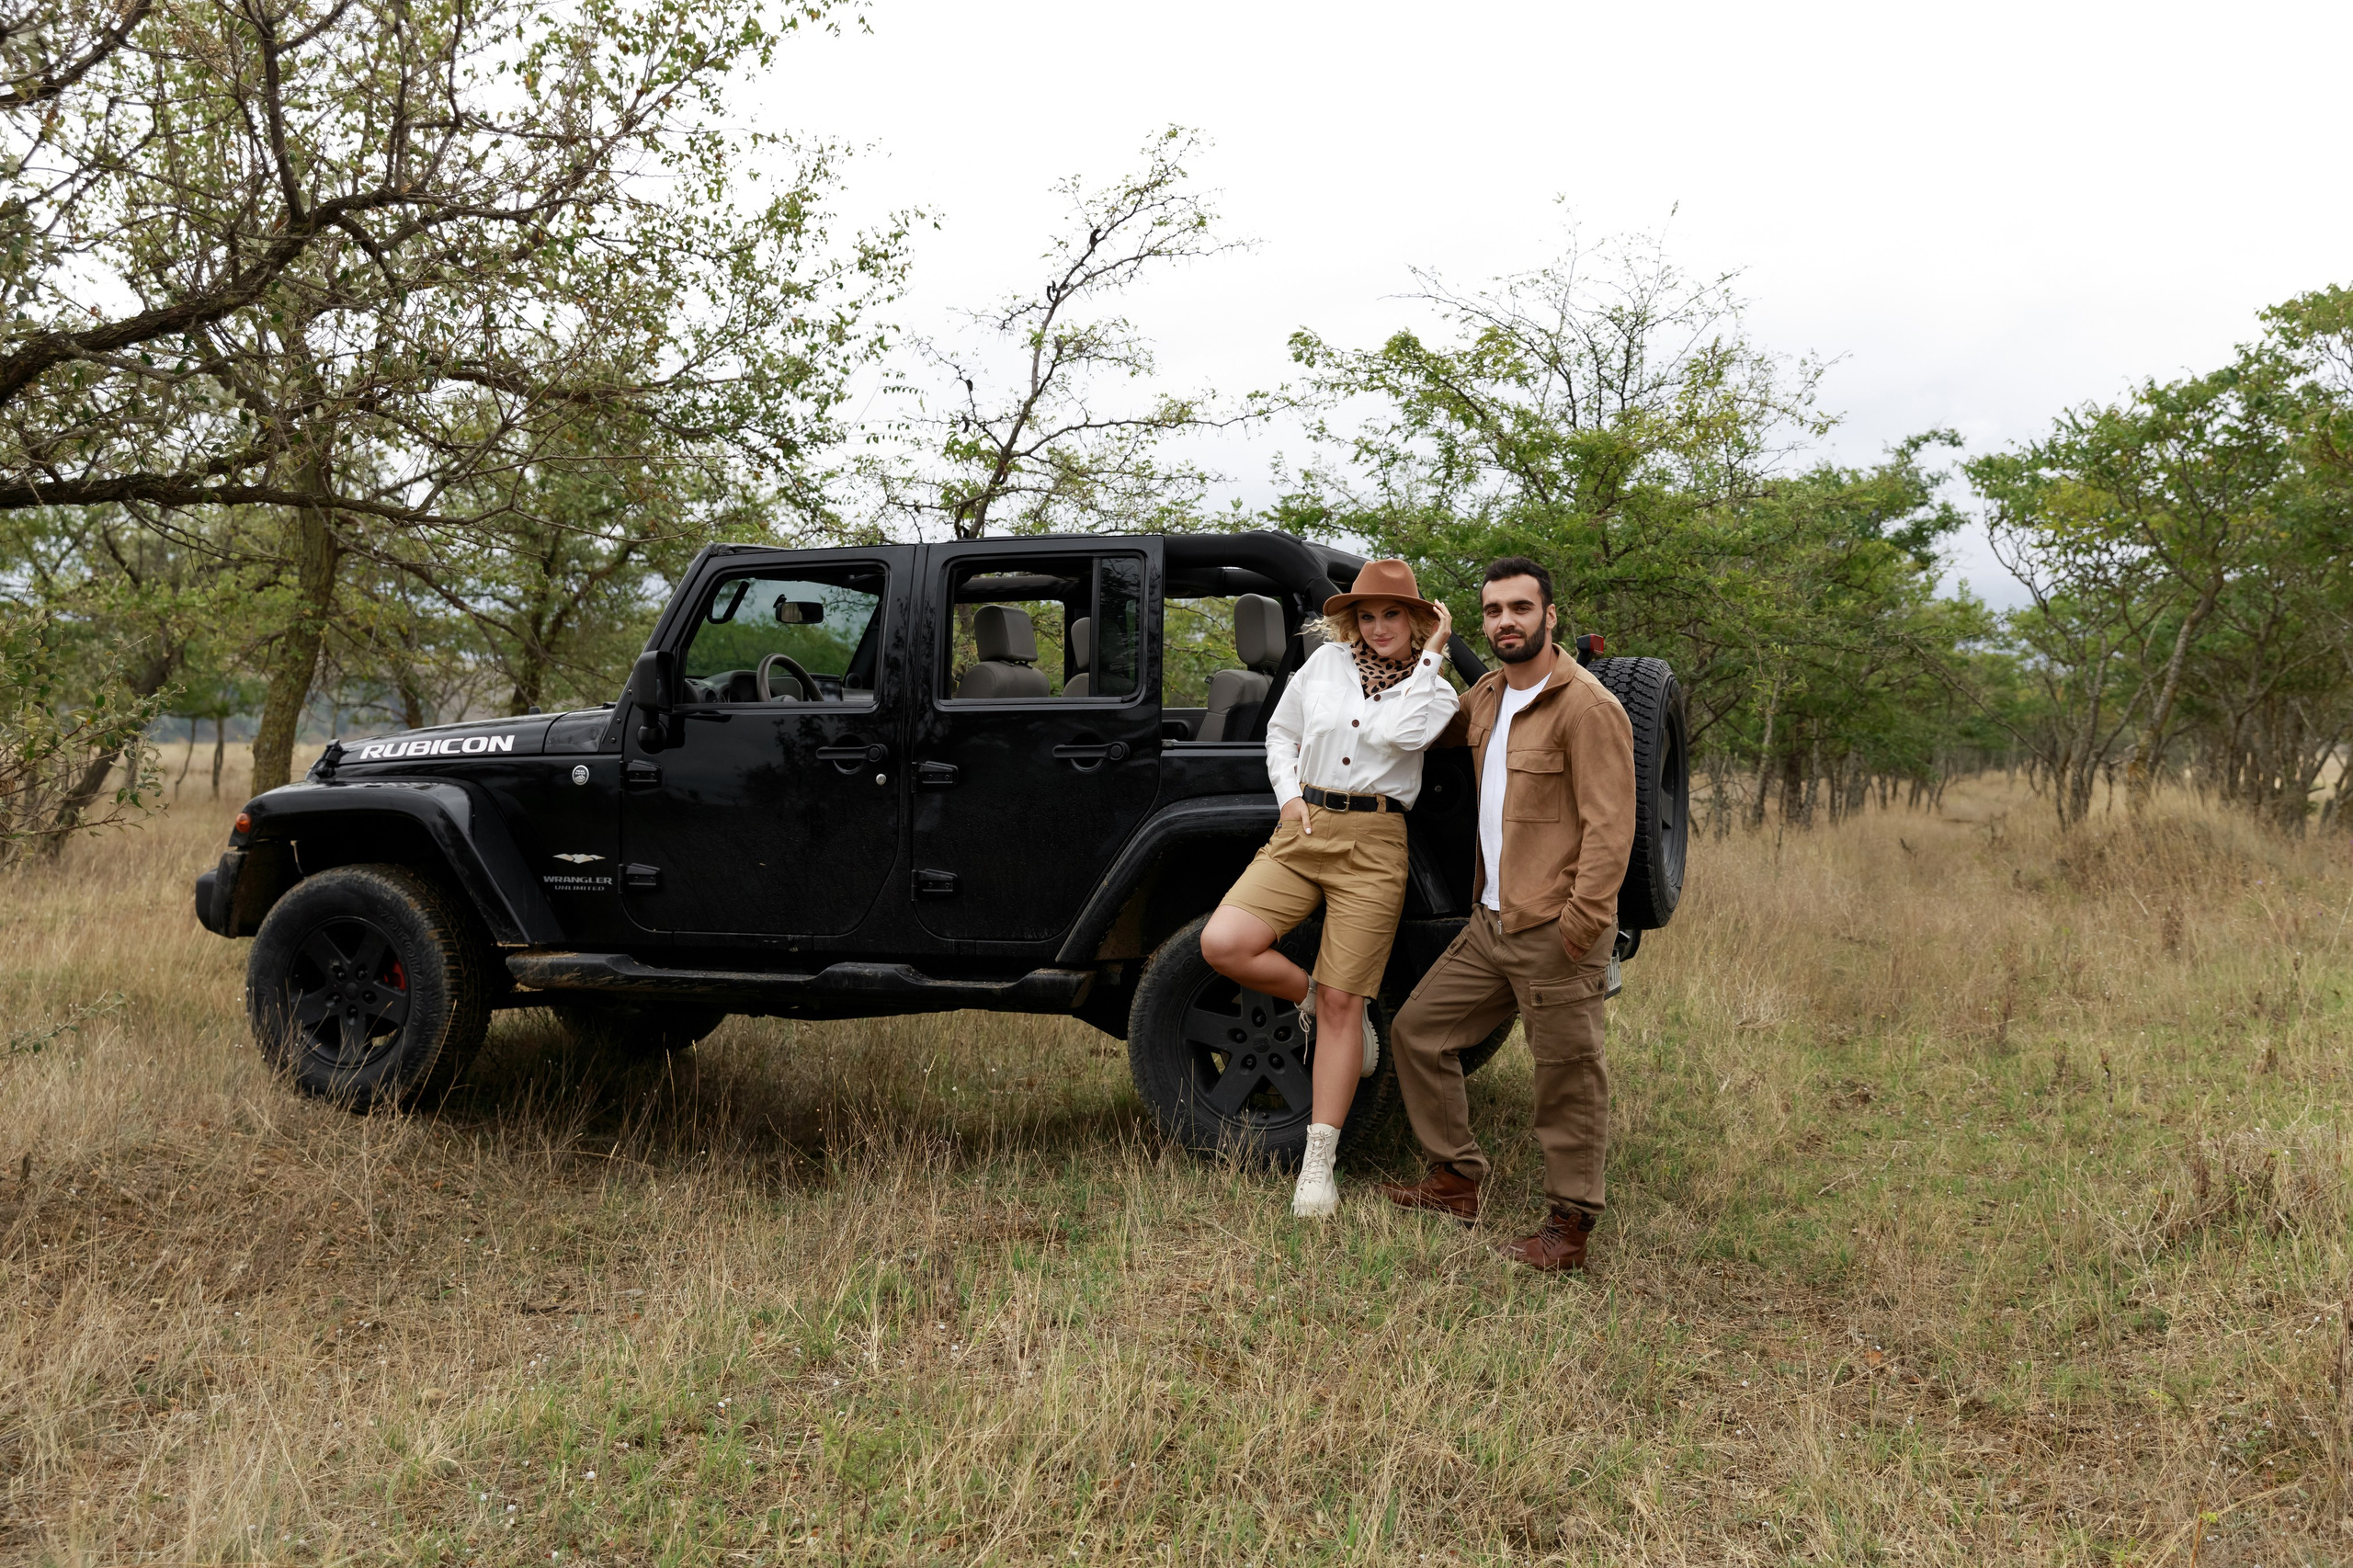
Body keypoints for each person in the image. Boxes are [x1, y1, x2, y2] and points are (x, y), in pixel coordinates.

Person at [1380, 556, 1635, 1271]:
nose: (1506, 622)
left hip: (1554, 927)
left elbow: (1612, 830)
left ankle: (1569, 1229)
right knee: (1418, 1033)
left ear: (1550, 616)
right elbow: (1418, 734)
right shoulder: (1488, 695)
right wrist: (1421, 649)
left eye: (1520, 609)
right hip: (1490, 923)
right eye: (1493, 612)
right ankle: (1456, 1181)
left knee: (1567, 1077)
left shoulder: (1588, 708)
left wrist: (1582, 924)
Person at [1199, 559, 1459, 1220]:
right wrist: (1288, 798)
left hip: (1374, 843)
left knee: (1349, 1001)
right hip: (1304, 828)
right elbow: (1281, 734)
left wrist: (1430, 660)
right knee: (1223, 942)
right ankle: (1312, 995)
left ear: (1421, 621)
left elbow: (1394, 735)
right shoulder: (1323, 666)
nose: (1377, 629)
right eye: (1366, 616)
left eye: (1392, 615)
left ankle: (1319, 1161)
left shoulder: (1438, 695)